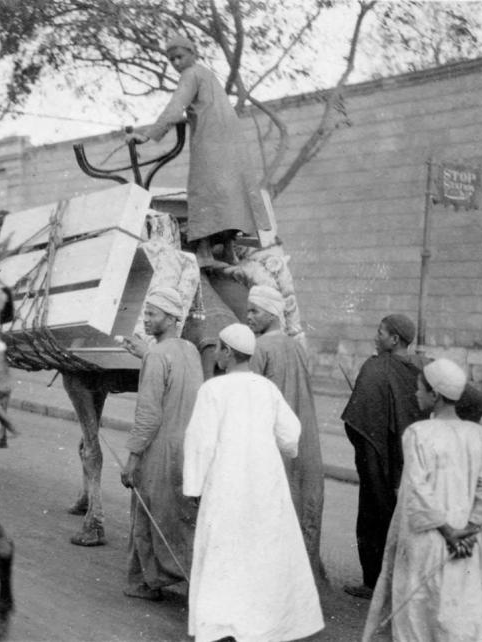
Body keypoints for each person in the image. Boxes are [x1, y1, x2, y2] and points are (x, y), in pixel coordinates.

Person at [342, 313, 482, 599]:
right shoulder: (425, 366)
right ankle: (407, 581)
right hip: (413, 453)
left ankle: (373, 583)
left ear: (394, 339)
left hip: (381, 452)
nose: (375, 337)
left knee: (373, 513)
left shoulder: (374, 367)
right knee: (409, 514)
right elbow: (464, 392)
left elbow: (359, 419)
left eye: (380, 332)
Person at [184, 323, 324, 642]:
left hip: (226, 482)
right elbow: (290, 434)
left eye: (219, 348)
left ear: (229, 353)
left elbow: (200, 442)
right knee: (261, 550)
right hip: (264, 481)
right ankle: (263, 625)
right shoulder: (266, 389)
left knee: (226, 551)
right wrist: (281, 449)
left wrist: (194, 487)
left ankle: (222, 624)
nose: (216, 354)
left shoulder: (213, 390)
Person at [362, 359, 482, 642]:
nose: (416, 395)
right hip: (464, 543)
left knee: (417, 615)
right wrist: (469, 528)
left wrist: (447, 531)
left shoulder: (418, 434)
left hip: (426, 540)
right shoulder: (477, 435)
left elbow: (417, 488)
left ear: (435, 395)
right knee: (457, 615)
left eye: (419, 389)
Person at [127, 35, 265, 268]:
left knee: (202, 191)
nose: (176, 63)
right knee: (228, 194)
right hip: (231, 141)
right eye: (172, 60)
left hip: (211, 141)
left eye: (180, 57)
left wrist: (148, 135)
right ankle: (229, 250)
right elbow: (199, 107)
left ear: (193, 54)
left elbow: (175, 107)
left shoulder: (190, 75)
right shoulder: (207, 75)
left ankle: (204, 251)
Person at [119, 286, 202, 600]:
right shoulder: (190, 350)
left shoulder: (156, 355)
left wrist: (133, 459)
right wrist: (147, 355)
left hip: (160, 449)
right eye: (146, 313)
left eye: (152, 314)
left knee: (146, 513)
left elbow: (149, 414)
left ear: (171, 317)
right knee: (181, 515)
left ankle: (148, 582)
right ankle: (194, 576)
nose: (147, 320)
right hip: (188, 447)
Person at [246, 284, 327, 586]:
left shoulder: (259, 349)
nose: (249, 317)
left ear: (271, 313)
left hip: (274, 441)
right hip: (301, 438)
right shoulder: (295, 345)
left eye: (254, 311)